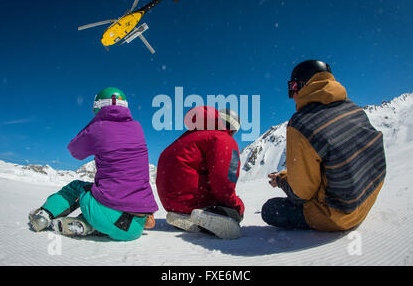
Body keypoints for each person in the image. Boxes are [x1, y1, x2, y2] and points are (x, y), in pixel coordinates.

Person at [262, 60, 386, 231]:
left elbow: (302, 194)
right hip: (370, 196)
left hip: (341, 215)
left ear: (300, 85)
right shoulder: (353, 108)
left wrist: (282, 181)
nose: (292, 96)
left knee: (270, 209)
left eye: (292, 88)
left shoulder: (301, 123)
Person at [28, 87, 158, 241]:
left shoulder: (98, 128)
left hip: (105, 216)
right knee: (106, 198)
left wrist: (93, 126)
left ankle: (43, 216)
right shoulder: (138, 128)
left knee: (78, 187)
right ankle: (86, 225)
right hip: (134, 228)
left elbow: (75, 151)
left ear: (98, 106)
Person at [156, 106, 245, 239]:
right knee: (234, 212)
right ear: (232, 128)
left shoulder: (189, 136)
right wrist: (237, 205)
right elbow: (223, 181)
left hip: (170, 203)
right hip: (194, 202)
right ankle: (208, 216)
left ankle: (188, 216)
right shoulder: (222, 138)